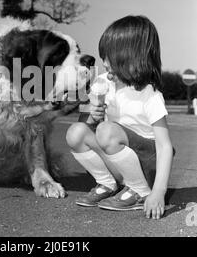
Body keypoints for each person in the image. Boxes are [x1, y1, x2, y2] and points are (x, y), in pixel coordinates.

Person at [66, 15, 174, 219]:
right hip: (120, 162)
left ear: (133, 58)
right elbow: (85, 124)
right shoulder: (102, 83)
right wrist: (91, 116)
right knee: (76, 133)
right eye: (103, 56)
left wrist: (159, 191)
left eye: (110, 57)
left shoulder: (149, 95)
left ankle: (141, 192)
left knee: (107, 130)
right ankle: (107, 183)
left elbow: (165, 146)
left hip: (147, 166)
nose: (104, 62)